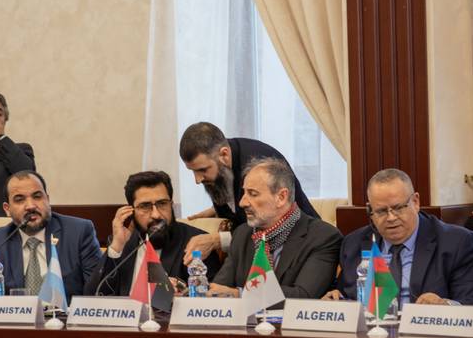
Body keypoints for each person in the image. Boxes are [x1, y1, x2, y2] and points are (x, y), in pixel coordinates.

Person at [328, 169, 473, 306]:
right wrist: (335, 300)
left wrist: (446, 305)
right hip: (371, 336)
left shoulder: (456, 242)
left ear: (415, 202)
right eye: (381, 211)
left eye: (398, 208)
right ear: (370, 210)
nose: (391, 218)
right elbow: (346, 296)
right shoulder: (354, 244)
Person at [178, 122, 319, 261]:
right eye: (193, 171)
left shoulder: (258, 165)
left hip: (300, 250)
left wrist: (218, 240)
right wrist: (218, 208)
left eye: (202, 170)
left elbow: (268, 226)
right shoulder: (222, 167)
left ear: (224, 155)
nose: (197, 179)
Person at [208, 157, 341, 301]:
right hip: (243, 322)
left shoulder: (323, 237)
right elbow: (220, 288)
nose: (242, 202)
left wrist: (240, 294)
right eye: (244, 193)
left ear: (281, 197)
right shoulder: (243, 234)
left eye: (253, 194)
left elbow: (304, 295)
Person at [0, 171, 102, 301]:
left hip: (63, 321)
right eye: (19, 200)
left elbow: (96, 285)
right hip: (16, 322)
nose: (30, 206)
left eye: (37, 196)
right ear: (7, 209)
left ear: (47, 200)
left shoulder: (78, 232)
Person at [85, 171, 221, 296]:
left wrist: (184, 293)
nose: (156, 214)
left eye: (162, 204)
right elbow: (92, 296)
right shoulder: (124, 243)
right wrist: (116, 247)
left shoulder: (196, 243)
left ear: (171, 204)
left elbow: (212, 297)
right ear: (131, 211)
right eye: (145, 206)